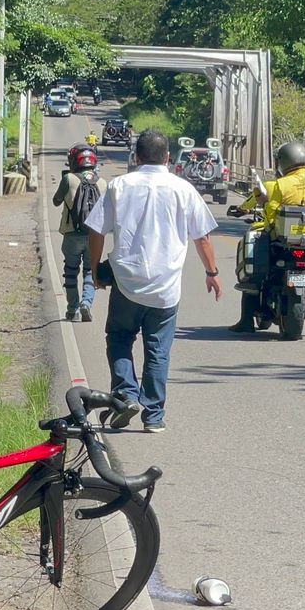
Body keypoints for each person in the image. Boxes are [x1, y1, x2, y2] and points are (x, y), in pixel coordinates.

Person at [85, 129, 221, 433]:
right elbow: (203, 237)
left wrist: (95, 271)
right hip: (166, 289)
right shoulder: (183, 189)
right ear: (169, 158)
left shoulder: (119, 186)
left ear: (136, 157)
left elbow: (95, 230)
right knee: (158, 350)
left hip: (126, 283)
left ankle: (125, 395)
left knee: (119, 338)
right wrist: (212, 273)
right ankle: (154, 416)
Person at [229, 141, 305, 334]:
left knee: (254, 279)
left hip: (281, 237)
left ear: (284, 161)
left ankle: (246, 321)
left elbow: (272, 210)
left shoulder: (278, 184)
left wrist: (264, 206)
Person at [53, 144, 107, 322]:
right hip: (94, 235)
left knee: (70, 272)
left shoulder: (69, 179)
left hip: (71, 234)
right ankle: (87, 303)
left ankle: (73, 309)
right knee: (90, 271)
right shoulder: (102, 182)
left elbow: (56, 201)